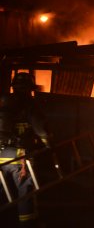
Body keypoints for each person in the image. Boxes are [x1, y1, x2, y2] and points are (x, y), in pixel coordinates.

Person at [0, 72, 51, 228]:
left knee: (3, 191)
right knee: (25, 192)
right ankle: (28, 223)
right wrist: (48, 144)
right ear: (29, 88)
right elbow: (40, 128)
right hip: (20, 157)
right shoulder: (30, 104)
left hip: (1, 156)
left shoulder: (4, 103)